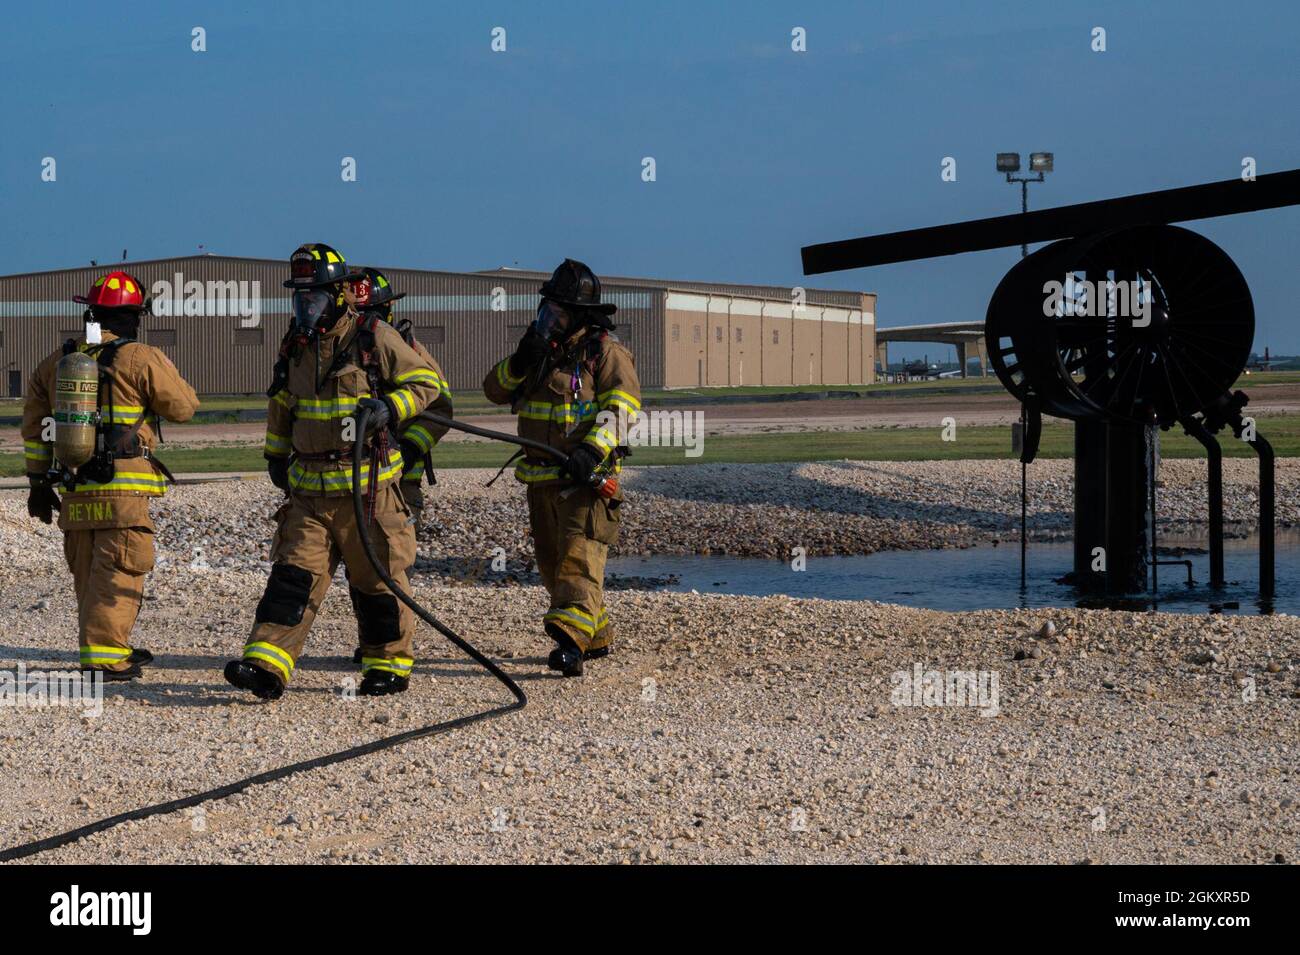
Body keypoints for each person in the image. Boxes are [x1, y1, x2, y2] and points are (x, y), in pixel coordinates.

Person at [224, 243, 444, 700]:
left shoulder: (374, 336)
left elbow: (428, 384)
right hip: (309, 494)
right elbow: (284, 402)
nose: (306, 307)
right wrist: (274, 455)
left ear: (340, 295)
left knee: (376, 581)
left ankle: (387, 666)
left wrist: (390, 407)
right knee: (291, 579)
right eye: (300, 299)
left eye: (315, 298)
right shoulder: (297, 345)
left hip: (369, 492)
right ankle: (266, 664)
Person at [21, 270, 199, 680]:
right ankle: (104, 658)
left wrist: (37, 484)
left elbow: (34, 430)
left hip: (74, 486)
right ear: (133, 318)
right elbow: (184, 408)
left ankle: (103, 647)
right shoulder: (141, 357)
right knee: (118, 571)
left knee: (88, 573)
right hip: (124, 489)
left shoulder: (57, 364)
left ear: (91, 314)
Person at [482, 259, 641, 677]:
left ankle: (569, 646)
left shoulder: (605, 353)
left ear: (581, 317)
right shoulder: (538, 353)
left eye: (558, 314)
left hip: (584, 480)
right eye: (546, 311)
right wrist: (519, 363)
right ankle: (597, 635)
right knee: (553, 566)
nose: (549, 320)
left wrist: (592, 448)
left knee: (578, 561)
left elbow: (623, 408)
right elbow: (493, 391)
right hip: (540, 479)